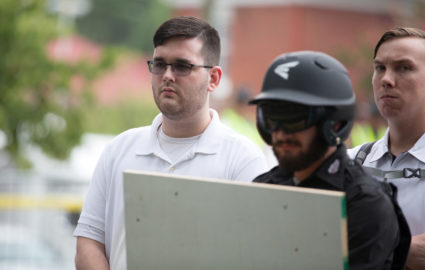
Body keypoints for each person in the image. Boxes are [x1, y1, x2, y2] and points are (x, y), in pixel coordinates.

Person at [73, 16, 268, 270]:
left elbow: (257, 256)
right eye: (159, 64)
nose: (167, 75)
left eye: (182, 66)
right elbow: (89, 241)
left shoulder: (243, 159)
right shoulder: (118, 149)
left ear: (214, 79)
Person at [250, 51, 409, 270]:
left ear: (334, 122)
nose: (281, 133)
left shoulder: (365, 204)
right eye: (272, 118)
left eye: (294, 118)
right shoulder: (262, 188)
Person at [347, 27, 425, 270]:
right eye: (380, 68)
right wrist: (400, 251)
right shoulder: (351, 162)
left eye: (404, 67)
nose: (386, 80)